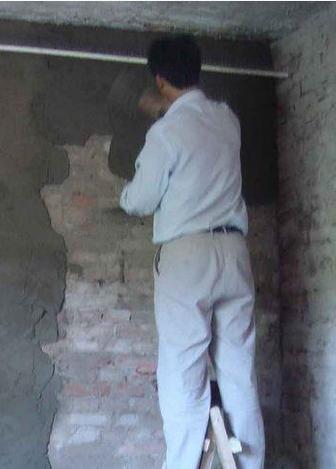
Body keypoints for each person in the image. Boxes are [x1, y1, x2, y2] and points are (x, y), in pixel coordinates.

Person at [119, 36, 265, 469]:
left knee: (183, 371)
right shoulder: (227, 120)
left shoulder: (165, 134)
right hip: (234, 253)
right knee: (239, 372)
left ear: (160, 80)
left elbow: (141, 200)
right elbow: (197, 121)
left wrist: (126, 195)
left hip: (188, 256)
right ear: (197, 71)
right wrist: (167, 109)